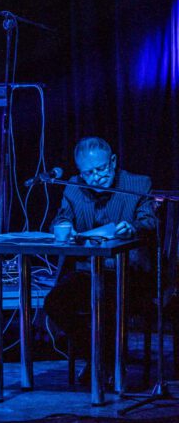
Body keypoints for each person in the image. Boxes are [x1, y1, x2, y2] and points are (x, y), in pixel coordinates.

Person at [42, 136, 156, 382]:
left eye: (101, 169)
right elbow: (61, 218)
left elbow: (149, 221)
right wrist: (65, 227)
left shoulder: (138, 183)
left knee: (107, 303)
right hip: (88, 272)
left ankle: (104, 363)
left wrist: (133, 227)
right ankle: (100, 358)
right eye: (88, 173)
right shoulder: (73, 187)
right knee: (54, 303)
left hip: (129, 272)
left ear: (113, 161)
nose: (96, 178)